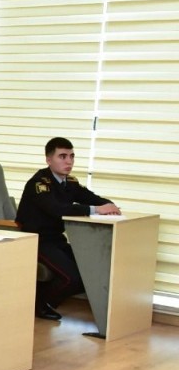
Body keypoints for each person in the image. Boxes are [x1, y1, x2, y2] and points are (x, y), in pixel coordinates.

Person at [16, 137, 120, 320]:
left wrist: (109, 205)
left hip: (56, 239)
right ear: (49, 160)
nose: (69, 161)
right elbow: (58, 209)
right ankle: (38, 304)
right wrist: (97, 210)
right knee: (72, 278)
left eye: (72, 156)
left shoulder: (68, 182)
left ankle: (41, 302)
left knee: (89, 273)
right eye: (62, 156)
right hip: (36, 240)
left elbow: (88, 196)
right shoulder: (39, 183)